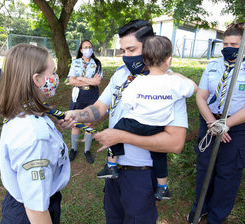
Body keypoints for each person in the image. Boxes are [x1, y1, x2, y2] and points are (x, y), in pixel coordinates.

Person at [65, 20, 189, 223]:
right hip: (114, 173)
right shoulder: (121, 74)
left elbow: (175, 143)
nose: (126, 57)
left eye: (131, 50)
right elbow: (99, 108)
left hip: (140, 175)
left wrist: (121, 136)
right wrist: (76, 115)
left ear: (149, 46)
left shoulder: (170, 84)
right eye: (123, 50)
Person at [97, 36, 197, 201]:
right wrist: (177, 76)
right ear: (169, 59)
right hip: (158, 128)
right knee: (159, 156)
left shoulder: (138, 82)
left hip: (137, 124)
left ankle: (111, 166)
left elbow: (127, 103)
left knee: (115, 132)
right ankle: (163, 187)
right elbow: (193, 88)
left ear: (144, 59)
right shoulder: (175, 83)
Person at [0, 43, 71, 224]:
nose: (56, 77)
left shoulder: (24, 110)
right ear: (37, 79)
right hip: (31, 214)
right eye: (53, 72)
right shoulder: (34, 135)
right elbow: (36, 208)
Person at [187, 23, 245, 224]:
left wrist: (227, 124)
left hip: (237, 127)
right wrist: (213, 123)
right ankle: (200, 208)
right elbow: (201, 97)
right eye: (226, 43)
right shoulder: (213, 65)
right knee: (205, 166)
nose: (229, 47)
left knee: (227, 173)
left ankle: (217, 215)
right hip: (210, 122)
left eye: (234, 44)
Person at [67, 40, 102, 164]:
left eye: (90, 47)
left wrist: (81, 78)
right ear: (81, 50)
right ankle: (73, 149)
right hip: (78, 95)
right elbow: (72, 81)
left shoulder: (96, 63)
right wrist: (89, 80)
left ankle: (87, 150)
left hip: (92, 95)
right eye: (85, 47)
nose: (88, 49)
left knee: (89, 123)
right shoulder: (75, 62)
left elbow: (97, 82)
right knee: (75, 123)